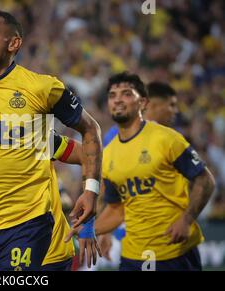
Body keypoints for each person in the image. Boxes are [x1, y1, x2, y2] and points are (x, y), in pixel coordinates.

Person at [0, 10, 102, 270]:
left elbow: (88, 137)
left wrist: (90, 195)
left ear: (13, 44)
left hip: (36, 229)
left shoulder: (39, 94)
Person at [92, 72, 215, 271]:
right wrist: (90, 231)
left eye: (126, 94)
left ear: (143, 103)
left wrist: (186, 220)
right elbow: (116, 207)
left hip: (174, 251)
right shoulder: (108, 153)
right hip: (132, 256)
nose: (118, 100)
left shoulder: (167, 138)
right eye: (112, 95)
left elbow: (205, 180)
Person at [0, 132, 101, 270]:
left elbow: (85, 154)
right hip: (1, 256)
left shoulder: (25, 132)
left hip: (50, 255)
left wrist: (88, 219)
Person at [98, 81, 182, 259]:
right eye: (171, 105)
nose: (176, 111)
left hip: (169, 227)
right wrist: (105, 231)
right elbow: (107, 185)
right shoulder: (116, 136)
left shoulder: (170, 138)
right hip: (134, 227)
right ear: (152, 105)